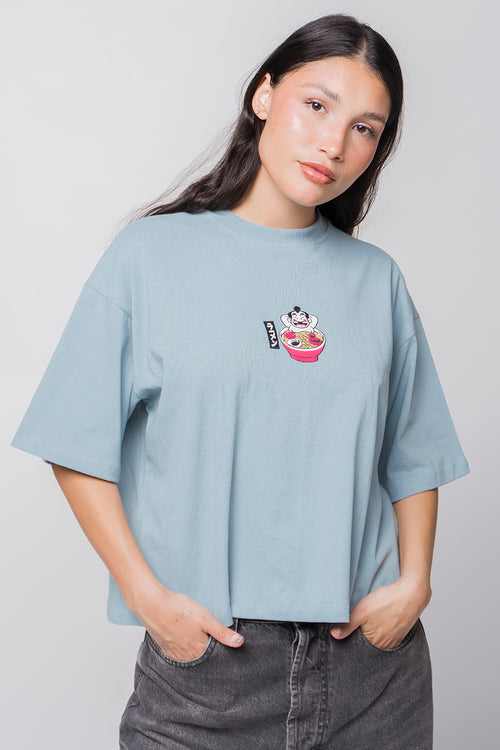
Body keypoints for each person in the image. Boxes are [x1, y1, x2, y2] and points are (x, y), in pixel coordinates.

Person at [11, 12, 470, 750]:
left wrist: (413, 584)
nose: (334, 143)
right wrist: (149, 600)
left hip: (373, 674)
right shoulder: (152, 256)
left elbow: (415, 454)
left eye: (364, 128)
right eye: (316, 105)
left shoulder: (376, 280)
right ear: (263, 95)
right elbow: (74, 441)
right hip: (209, 671)